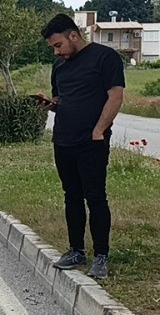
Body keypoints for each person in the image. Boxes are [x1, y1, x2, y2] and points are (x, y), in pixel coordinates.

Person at [37, 14, 126, 280]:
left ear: (73, 36)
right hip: (63, 140)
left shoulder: (105, 58)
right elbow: (61, 98)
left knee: (95, 197)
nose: (57, 52)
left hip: (92, 142)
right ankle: (76, 250)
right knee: (71, 196)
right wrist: (50, 104)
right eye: (53, 48)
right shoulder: (59, 66)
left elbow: (115, 96)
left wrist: (99, 130)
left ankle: (101, 256)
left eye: (58, 45)